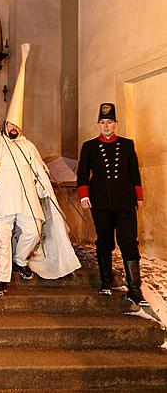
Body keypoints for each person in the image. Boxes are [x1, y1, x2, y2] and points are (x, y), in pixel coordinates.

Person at [0, 44, 81, 295]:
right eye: (11, 124)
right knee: (3, 239)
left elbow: (38, 169)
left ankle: (20, 261)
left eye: (18, 126)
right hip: (4, 200)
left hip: (27, 199)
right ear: (6, 122)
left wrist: (45, 188)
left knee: (32, 231)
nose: (14, 129)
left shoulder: (27, 145)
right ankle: (1, 277)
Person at [77, 103, 149, 306]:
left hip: (125, 201)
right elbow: (82, 174)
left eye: (109, 122)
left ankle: (135, 289)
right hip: (100, 202)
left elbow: (134, 172)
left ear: (115, 124)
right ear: (98, 124)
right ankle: (106, 282)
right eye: (102, 122)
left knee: (129, 243)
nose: (106, 126)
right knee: (105, 242)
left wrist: (139, 196)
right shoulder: (89, 146)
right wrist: (84, 195)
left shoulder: (127, 144)